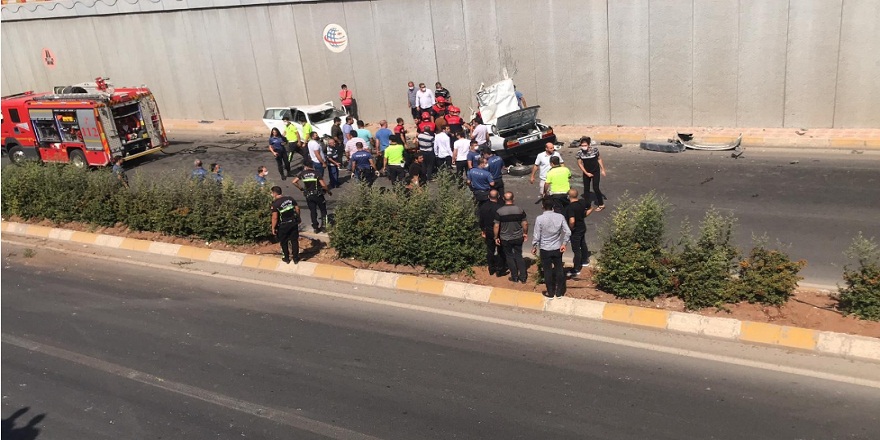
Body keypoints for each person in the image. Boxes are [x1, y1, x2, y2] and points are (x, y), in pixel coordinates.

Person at [533, 198, 571, 298]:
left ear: (543, 206)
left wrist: (534, 246)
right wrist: (564, 243)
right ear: (553, 206)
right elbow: (568, 232)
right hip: (557, 247)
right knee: (559, 269)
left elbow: (537, 235)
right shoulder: (560, 217)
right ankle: (559, 292)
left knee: (547, 271)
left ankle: (550, 292)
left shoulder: (539, 219)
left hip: (545, 249)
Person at [495, 191, 529, 283]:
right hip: (518, 237)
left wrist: (496, 237)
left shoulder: (500, 211)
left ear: (503, 199)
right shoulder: (519, 210)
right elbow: (525, 223)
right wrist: (525, 233)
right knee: (519, 255)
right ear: (513, 199)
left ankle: (514, 276)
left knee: (509, 256)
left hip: (505, 238)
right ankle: (523, 276)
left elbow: (497, 226)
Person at [291, 162, 332, 233]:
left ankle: (315, 227)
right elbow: (323, 185)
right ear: (312, 166)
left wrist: (301, 189)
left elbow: (294, 181)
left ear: (306, 166)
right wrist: (328, 191)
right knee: (323, 210)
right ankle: (324, 226)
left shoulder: (302, 173)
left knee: (313, 211)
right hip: (318, 195)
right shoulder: (316, 173)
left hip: (309, 195)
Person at [564, 188, 593, 278]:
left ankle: (576, 269)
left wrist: (570, 229)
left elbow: (572, 221)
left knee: (576, 249)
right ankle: (585, 260)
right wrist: (584, 215)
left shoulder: (570, 207)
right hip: (582, 227)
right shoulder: (582, 202)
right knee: (582, 243)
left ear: (569, 196)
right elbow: (591, 208)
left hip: (575, 230)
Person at [270, 185, 301, 264]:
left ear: (274, 193)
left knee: (284, 242)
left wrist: (273, 228)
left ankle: (286, 258)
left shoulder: (275, 204)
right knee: (294, 241)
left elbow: (275, 218)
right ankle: (296, 258)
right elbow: (297, 208)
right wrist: (298, 217)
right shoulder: (290, 199)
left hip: (283, 225)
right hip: (293, 223)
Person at [576, 136, 608, 211]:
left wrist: (602, 169)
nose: (584, 147)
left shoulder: (595, 150)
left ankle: (601, 204)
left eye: (585, 145)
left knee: (595, 187)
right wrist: (586, 173)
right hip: (586, 172)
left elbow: (599, 159)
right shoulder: (579, 153)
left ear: (589, 144)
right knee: (586, 189)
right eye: (582, 145)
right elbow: (580, 164)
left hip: (595, 171)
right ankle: (587, 206)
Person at [478, 189, 505, 276]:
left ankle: (491, 268)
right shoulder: (500, 208)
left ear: (489, 197)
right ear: (498, 197)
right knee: (501, 250)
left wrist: (483, 230)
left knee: (490, 250)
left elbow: (481, 220)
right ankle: (500, 269)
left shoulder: (483, 207)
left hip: (488, 231)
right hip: (499, 231)